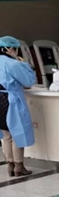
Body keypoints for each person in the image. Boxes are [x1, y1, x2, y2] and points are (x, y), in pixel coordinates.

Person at [0, 36, 37, 177]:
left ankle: (10, 164)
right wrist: (23, 64)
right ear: (9, 48)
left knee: (6, 135)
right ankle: (19, 166)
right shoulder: (13, 64)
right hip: (11, 100)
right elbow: (29, 81)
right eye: (15, 49)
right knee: (17, 132)